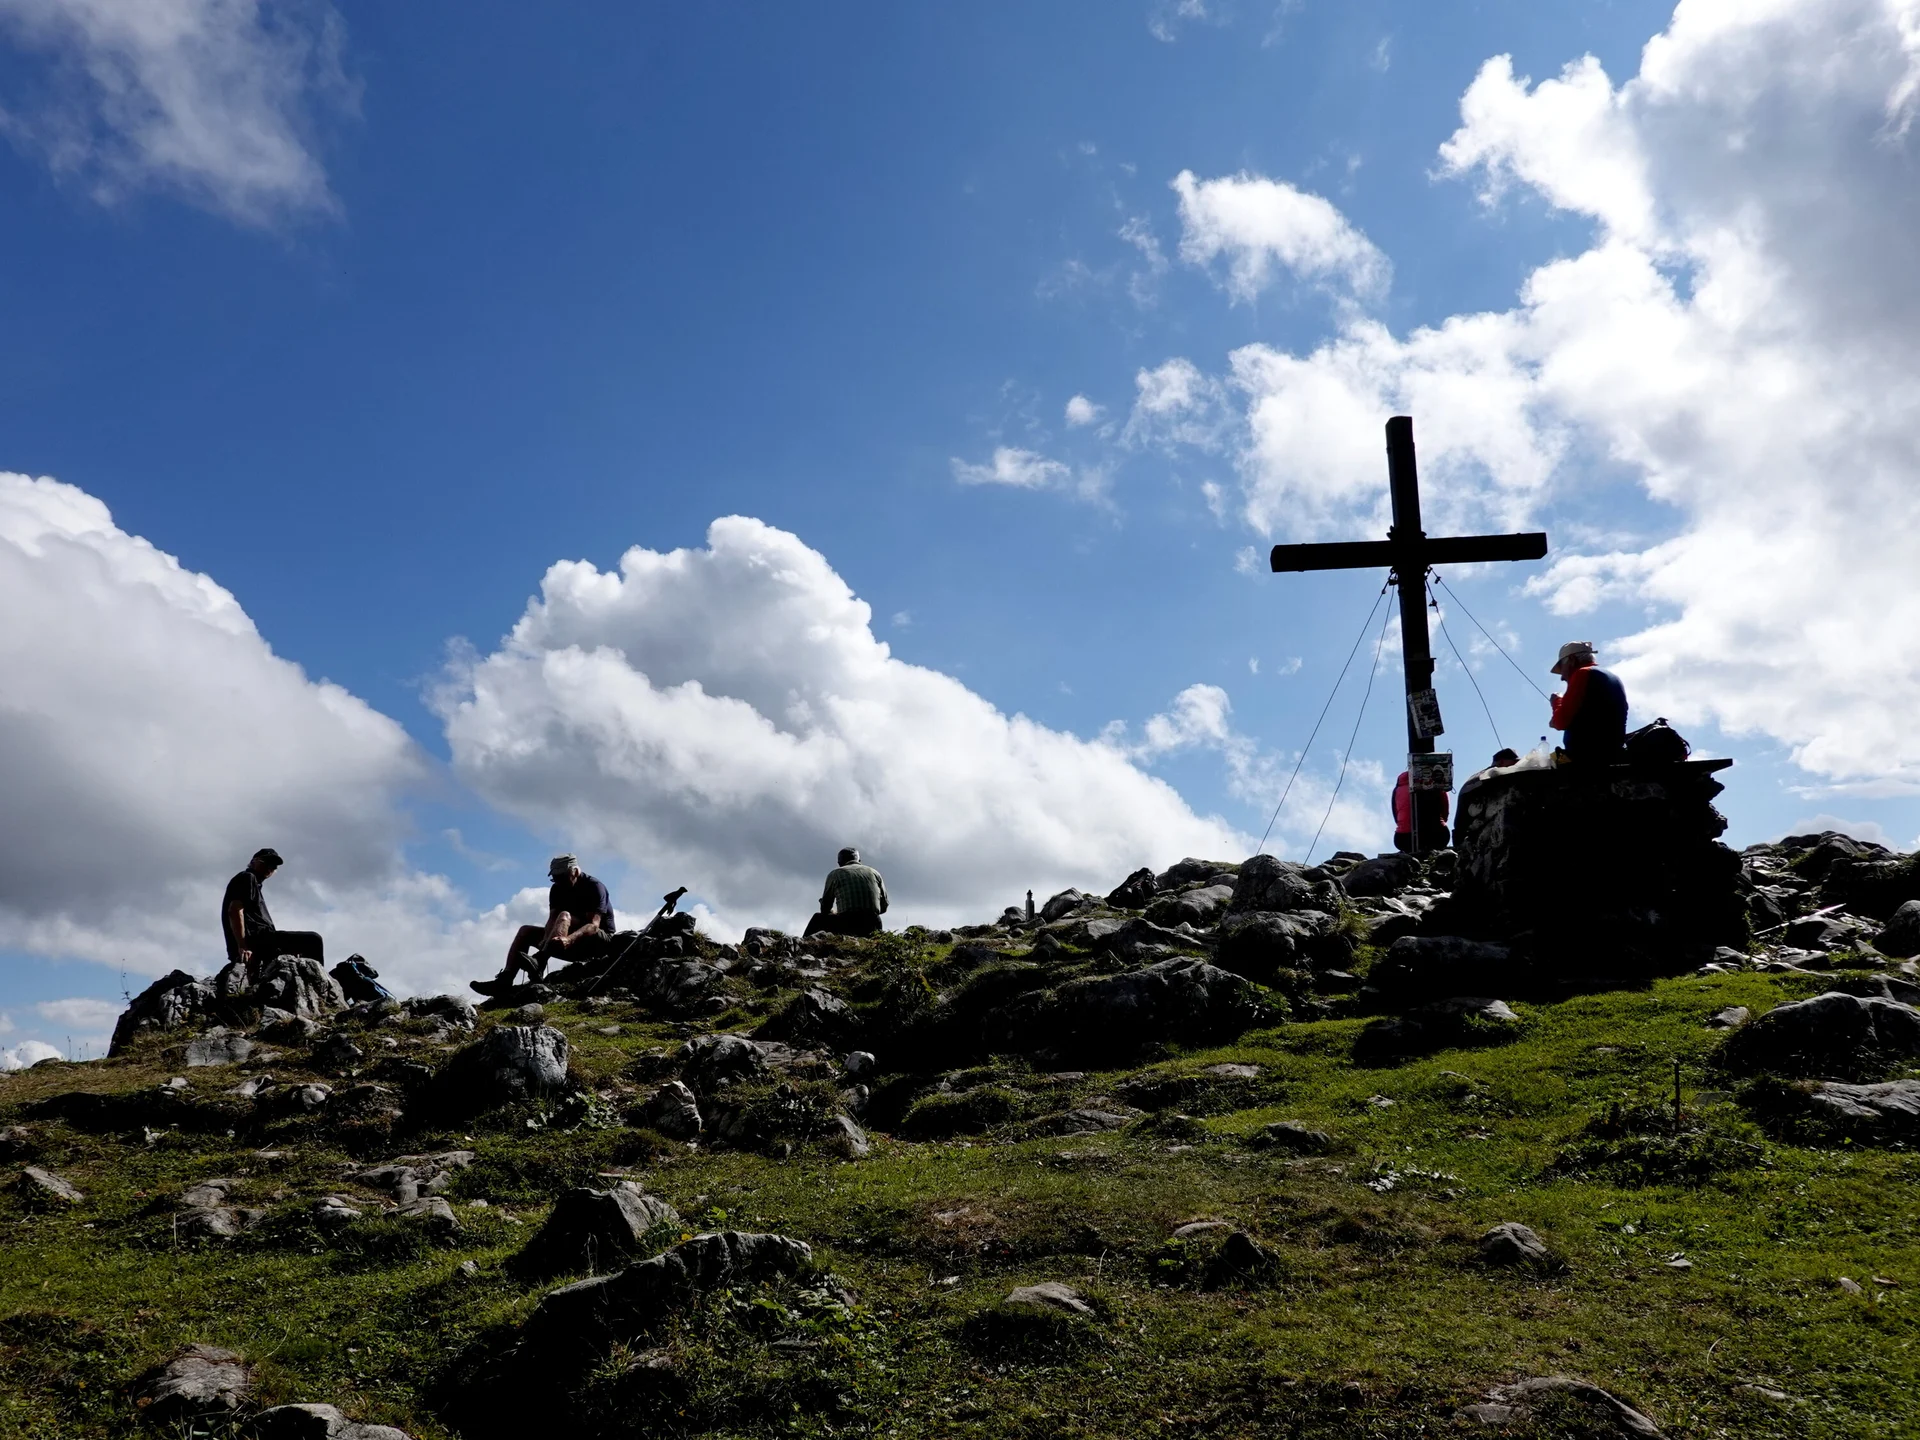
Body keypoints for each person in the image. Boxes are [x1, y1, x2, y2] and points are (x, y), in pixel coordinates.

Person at [477, 855, 616, 992]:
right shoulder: (557, 889)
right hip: (567, 943)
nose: (559, 882)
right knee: (525, 931)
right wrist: (546, 939)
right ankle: (504, 981)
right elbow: (552, 919)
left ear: (575, 871)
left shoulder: (594, 887)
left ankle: (540, 960)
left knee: (564, 916)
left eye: (562, 877)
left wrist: (569, 939)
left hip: (598, 943)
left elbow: (594, 925)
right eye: (555, 878)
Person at [221, 848, 324, 982]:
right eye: (266, 863)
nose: (270, 868)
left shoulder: (254, 884)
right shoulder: (247, 878)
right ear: (253, 862)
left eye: (274, 866)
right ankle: (318, 984)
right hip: (256, 940)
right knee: (313, 940)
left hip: (261, 940)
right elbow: (234, 910)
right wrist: (242, 946)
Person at [1549, 641, 1629, 767]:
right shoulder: (1611, 676)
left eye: (1562, 669)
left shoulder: (1583, 673)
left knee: (1536, 766)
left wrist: (1556, 701)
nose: (1562, 677)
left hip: (1588, 758)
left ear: (1572, 660)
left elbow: (1561, 722)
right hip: (1612, 753)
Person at [803, 847, 889, 937]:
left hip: (848, 923)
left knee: (817, 918)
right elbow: (884, 907)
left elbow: (825, 908)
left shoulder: (835, 874)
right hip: (873, 924)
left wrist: (835, 912)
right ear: (859, 860)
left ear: (839, 863)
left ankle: (801, 945)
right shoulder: (874, 873)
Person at [1390, 773, 1451, 853]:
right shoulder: (1437, 785)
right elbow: (1445, 812)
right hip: (1437, 836)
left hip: (1404, 839)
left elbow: (1396, 816)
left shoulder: (1397, 789)